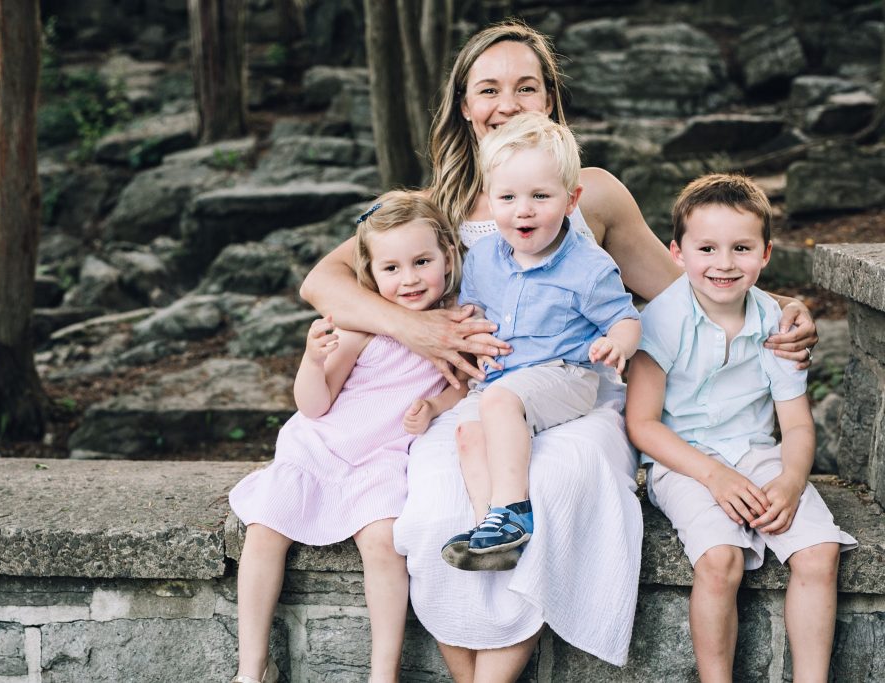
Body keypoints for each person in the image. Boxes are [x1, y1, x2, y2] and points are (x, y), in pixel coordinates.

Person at [300, 20, 819, 680]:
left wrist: (780, 312)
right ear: (465, 106)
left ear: (550, 100)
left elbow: (681, 297)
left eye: (526, 87)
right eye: (488, 89)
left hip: (580, 397)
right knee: (435, 508)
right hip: (477, 399)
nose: (506, 103)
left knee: (553, 490)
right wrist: (419, 329)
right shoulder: (441, 206)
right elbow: (323, 280)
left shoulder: (591, 191)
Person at [625, 174, 856, 682]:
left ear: (766, 254)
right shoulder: (660, 320)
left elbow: (795, 425)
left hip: (756, 451)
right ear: (677, 253)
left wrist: (793, 480)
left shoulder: (776, 322)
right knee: (720, 559)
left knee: (819, 552)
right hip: (682, 461)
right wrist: (714, 476)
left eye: (741, 248)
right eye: (706, 247)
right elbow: (642, 424)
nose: (724, 263)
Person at [228, 191, 466, 683]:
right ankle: (252, 668)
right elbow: (314, 404)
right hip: (322, 447)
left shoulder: (455, 320)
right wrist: (313, 361)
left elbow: (464, 386)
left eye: (422, 262)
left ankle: (385, 672)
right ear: (371, 274)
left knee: (383, 541)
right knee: (265, 527)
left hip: (383, 456)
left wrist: (436, 406)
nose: (410, 279)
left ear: (447, 254)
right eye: (392, 269)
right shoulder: (364, 324)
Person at [444, 112, 640, 568]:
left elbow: (625, 318)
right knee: (469, 434)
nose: (523, 209)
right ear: (489, 199)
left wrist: (618, 344)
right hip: (504, 379)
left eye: (540, 196)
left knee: (497, 404)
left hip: (565, 375)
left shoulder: (588, 267)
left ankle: (514, 511)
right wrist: (468, 329)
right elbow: (472, 310)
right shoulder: (484, 258)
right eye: (507, 197)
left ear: (571, 200)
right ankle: (488, 530)